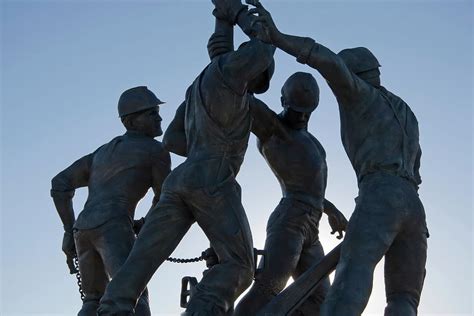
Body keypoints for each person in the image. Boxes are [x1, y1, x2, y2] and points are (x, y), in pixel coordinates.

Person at [248, 3, 428, 315]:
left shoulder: (360, 96)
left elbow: (325, 60)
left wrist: (277, 37)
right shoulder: (406, 113)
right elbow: (418, 168)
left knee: (352, 277)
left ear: (353, 76)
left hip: (379, 194)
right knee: (403, 299)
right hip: (413, 205)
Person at [97, 1, 275, 315]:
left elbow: (174, 141)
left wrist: (222, 22)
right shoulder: (234, 72)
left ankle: (113, 308)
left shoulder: (200, 85)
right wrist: (241, 14)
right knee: (240, 265)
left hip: (183, 178)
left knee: (143, 259)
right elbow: (264, 46)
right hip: (213, 176)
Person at [234, 71, 347, 316]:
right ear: (284, 101)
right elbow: (239, 93)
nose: (303, 116)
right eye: (297, 110)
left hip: (311, 226)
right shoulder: (274, 130)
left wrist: (331, 209)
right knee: (268, 288)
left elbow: (310, 187)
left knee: (319, 299)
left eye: (308, 111)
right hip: (290, 221)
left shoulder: (309, 139)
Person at [50, 86, 171, 316]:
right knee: (132, 293)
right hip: (114, 224)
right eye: (152, 113)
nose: (159, 118)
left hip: (82, 229)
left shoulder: (102, 153)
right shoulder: (156, 151)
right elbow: (166, 197)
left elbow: (59, 184)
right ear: (131, 122)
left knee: (92, 300)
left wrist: (68, 231)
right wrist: (145, 223)